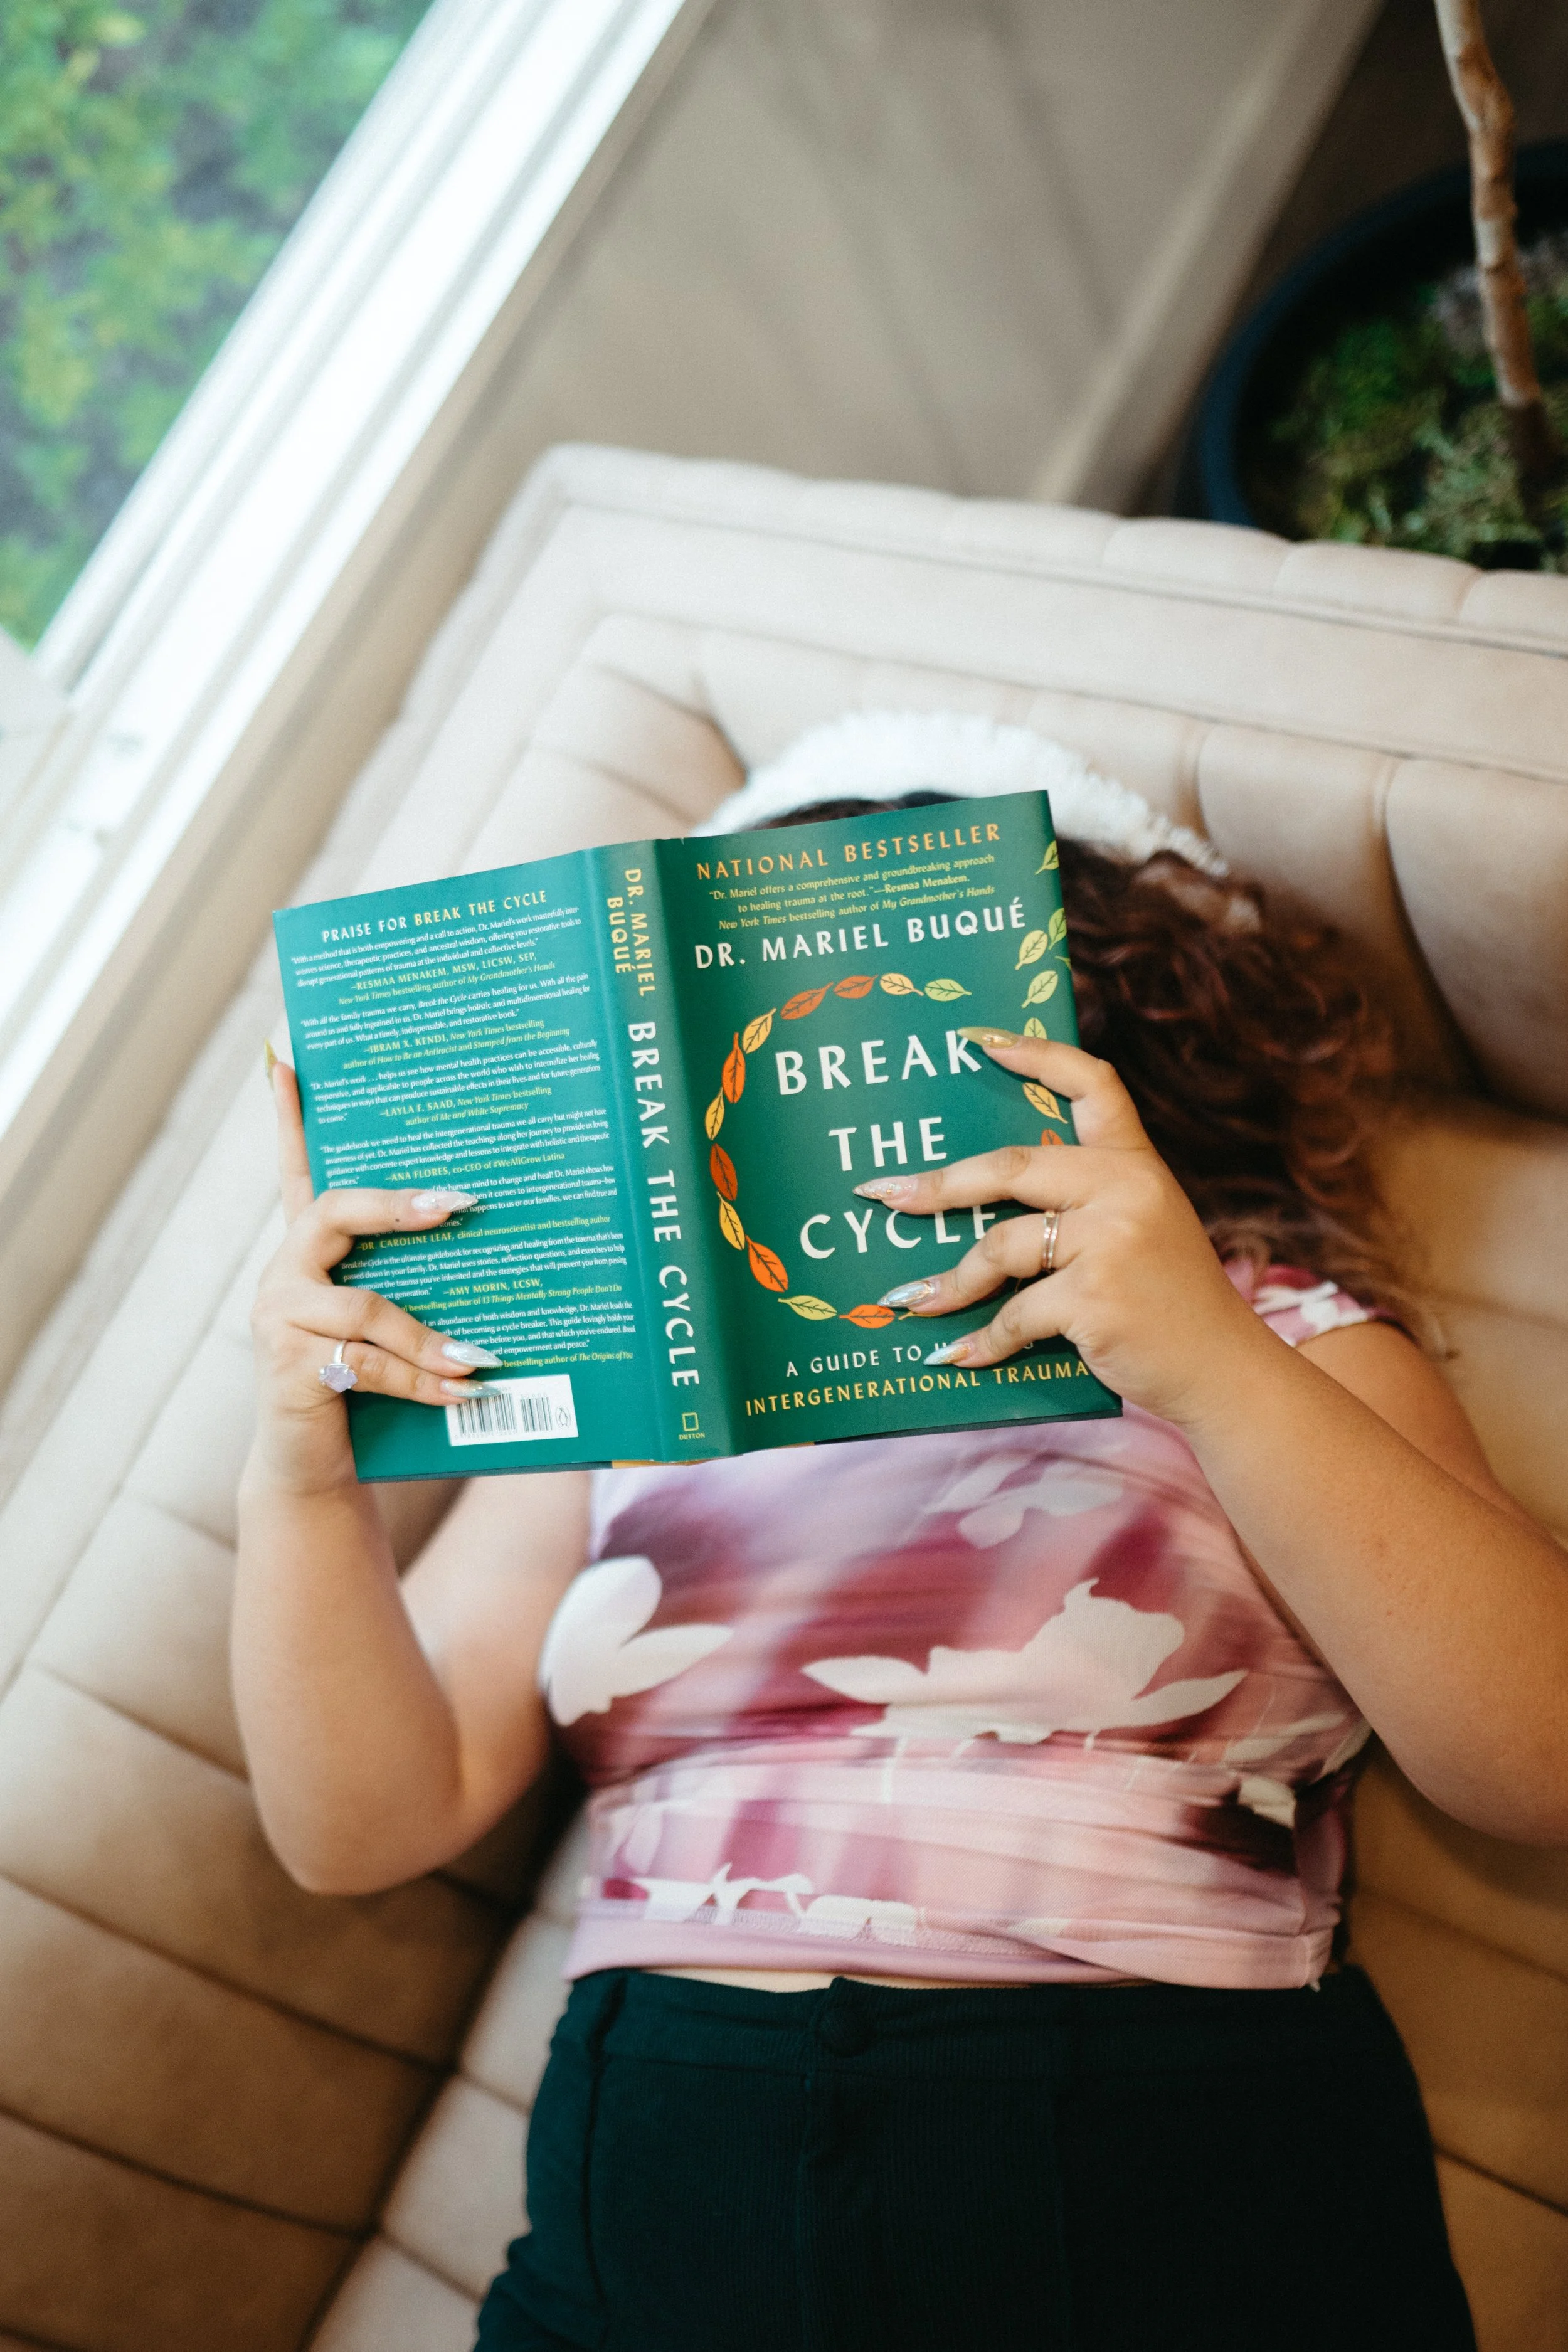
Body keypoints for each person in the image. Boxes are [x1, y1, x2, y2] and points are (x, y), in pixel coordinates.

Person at [235, 718, 1568, 2352]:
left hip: (1159, 2115)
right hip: (667, 2145)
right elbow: (360, 1819)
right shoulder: (628, 1410)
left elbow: (1539, 1754)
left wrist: (1200, 1360)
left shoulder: (1272, 1329)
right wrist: (301, 1473)